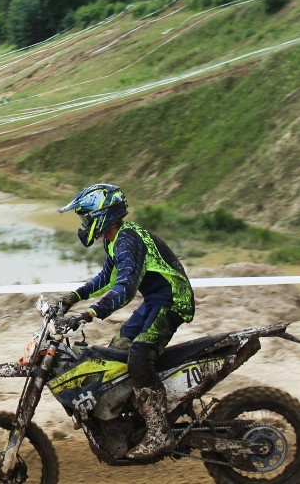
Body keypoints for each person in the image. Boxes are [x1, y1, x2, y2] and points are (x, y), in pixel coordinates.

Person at [56, 183, 195, 460]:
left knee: (139, 356)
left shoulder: (128, 239)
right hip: (155, 301)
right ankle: (131, 416)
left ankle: (159, 432)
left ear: (102, 214)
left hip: (172, 301)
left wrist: (91, 313)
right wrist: (71, 298)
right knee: (118, 347)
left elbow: (125, 288)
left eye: (86, 217)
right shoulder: (114, 239)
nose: (84, 224)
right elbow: (104, 279)